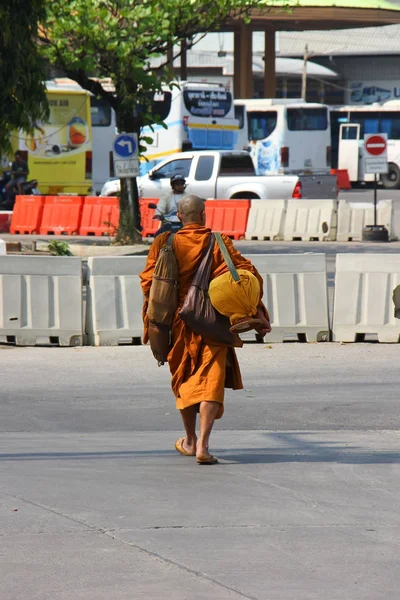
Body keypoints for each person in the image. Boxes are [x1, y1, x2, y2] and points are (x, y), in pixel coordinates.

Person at [140, 195, 271, 465]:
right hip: (211, 322)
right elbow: (245, 277)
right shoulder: (218, 243)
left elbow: (148, 284)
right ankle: (203, 444)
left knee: (185, 380)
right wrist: (256, 310)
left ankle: (188, 440)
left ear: (179, 217)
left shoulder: (165, 243)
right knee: (210, 382)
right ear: (203, 215)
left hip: (178, 324)